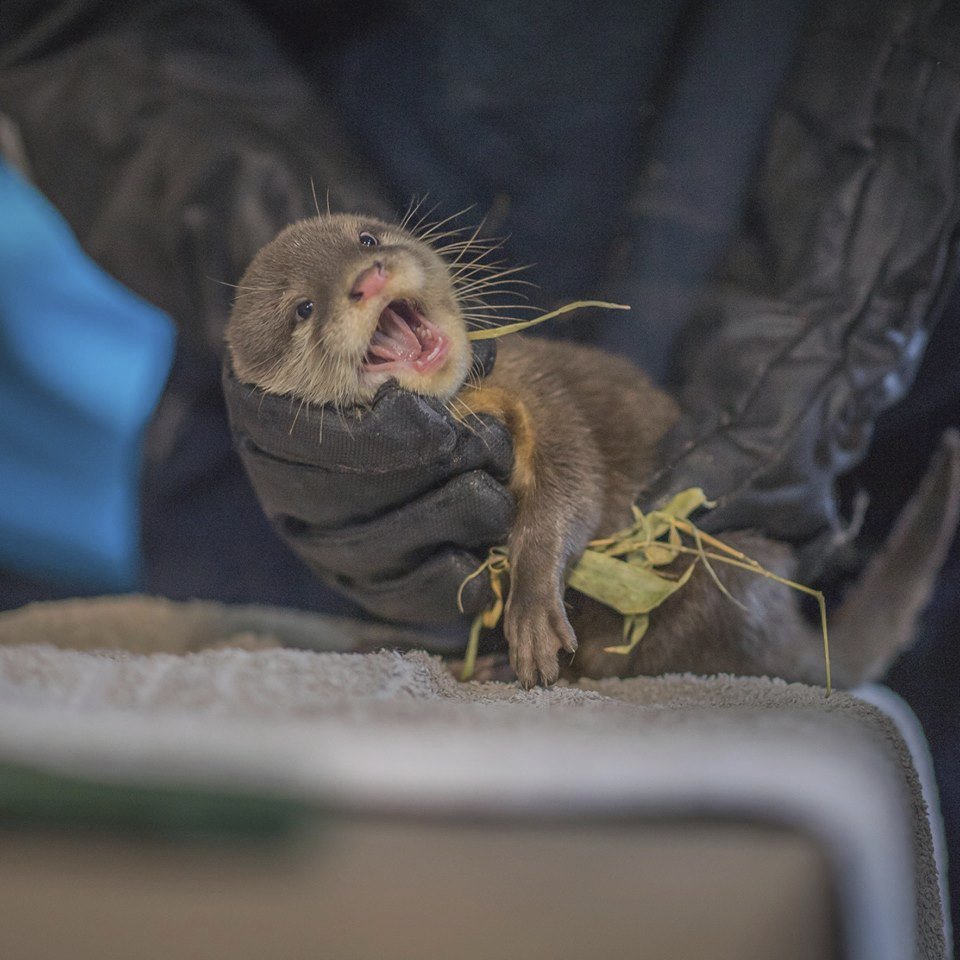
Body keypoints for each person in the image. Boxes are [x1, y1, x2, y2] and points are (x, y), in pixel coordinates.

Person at [2, 0, 959, 939]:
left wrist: (828, 340)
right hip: (290, 476)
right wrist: (273, 251)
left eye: (376, 248)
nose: (373, 276)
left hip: (819, 392)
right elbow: (65, 27)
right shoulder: (328, 348)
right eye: (320, 307)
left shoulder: (515, 384)